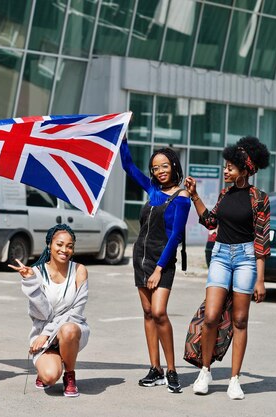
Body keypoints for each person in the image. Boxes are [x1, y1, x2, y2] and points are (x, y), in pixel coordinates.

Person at [184, 136, 270, 400]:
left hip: (245, 258)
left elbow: (261, 240)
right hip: (221, 255)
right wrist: (195, 196)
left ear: (245, 170)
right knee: (210, 317)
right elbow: (211, 222)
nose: (225, 170)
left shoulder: (259, 198)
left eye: (230, 167)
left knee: (240, 320)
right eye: (225, 166)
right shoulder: (225, 194)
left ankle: (234, 380)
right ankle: (205, 371)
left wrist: (260, 279)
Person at [119, 139, 190, 393]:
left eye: (164, 166)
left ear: (173, 166)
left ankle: (172, 370)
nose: (160, 171)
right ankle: (155, 369)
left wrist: (159, 269)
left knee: (159, 312)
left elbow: (176, 237)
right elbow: (127, 166)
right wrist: (122, 138)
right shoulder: (152, 190)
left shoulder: (182, 197)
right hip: (140, 258)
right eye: (155, 168)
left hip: (163, 262)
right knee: (148, 313)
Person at [9, 224, 89, 397]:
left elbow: (76, 312)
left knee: (69, 328)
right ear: (49, 246)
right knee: (50, 377)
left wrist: (46, 333)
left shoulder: (79, 270)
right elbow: (42, 314)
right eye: (59, 244)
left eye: (69, 246)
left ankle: (69, 375)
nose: (64, 250)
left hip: (72, 332)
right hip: (44, 337)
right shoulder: (36, 272)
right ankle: (49, 366)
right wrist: (31, 282)